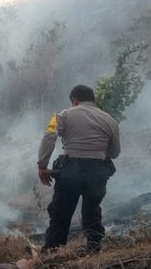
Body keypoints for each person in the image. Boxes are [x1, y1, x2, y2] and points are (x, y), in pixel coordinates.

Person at [37, 85, 121, 254]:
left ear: (74, 100)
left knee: (60, 213)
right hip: (98, 171)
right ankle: (94, 250)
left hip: (70, 169)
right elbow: (114, 153)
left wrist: (42, 165)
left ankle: (53, 252)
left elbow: (49, 136)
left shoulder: (62, 115)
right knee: (92, 211)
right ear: (93, 100)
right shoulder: (110, 120)